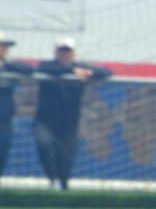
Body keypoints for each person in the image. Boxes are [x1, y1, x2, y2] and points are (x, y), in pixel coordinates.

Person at [33, 38, 111, 190]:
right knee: (44, 144)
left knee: (66, 158)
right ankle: (52, 178)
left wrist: (90, 72)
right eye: (61, 51)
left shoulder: (81, 68)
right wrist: (72, 71)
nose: (64, 54)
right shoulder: (48, 66)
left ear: (73, 53)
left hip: (69, 124)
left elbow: (107, 72)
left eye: (67, 51)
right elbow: (43, 69)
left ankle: (63, 186)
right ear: (56, 52)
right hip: (45, 121)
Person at [0, 37, 34, 180]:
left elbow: (29, 69)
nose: (3, 49)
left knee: (2, 155)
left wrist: (4, 65)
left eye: (5, 47)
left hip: (4, 122)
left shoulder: (9, 66)